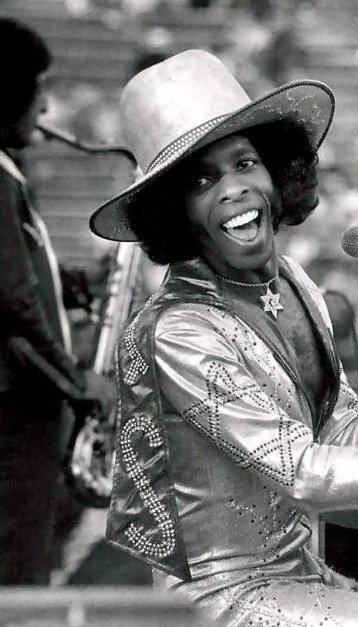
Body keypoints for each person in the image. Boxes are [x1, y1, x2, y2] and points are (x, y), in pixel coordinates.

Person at [90, 50, 358, 625]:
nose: (233, 189)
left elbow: (339, 433)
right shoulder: (178, 330)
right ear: (175, 211)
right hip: (224, 600)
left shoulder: (294, 283)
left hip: (299, 574)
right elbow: (304, 471)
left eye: (245, 163)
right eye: (202, 180)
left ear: (278, 174)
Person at [0, 17, 110, 585]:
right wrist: (76, 380)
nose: (45, 107)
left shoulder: (8, 175)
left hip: (22, 407)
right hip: (17, 414)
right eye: (39, 88)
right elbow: (14, 305)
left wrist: (71, 280)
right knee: (17, 571)